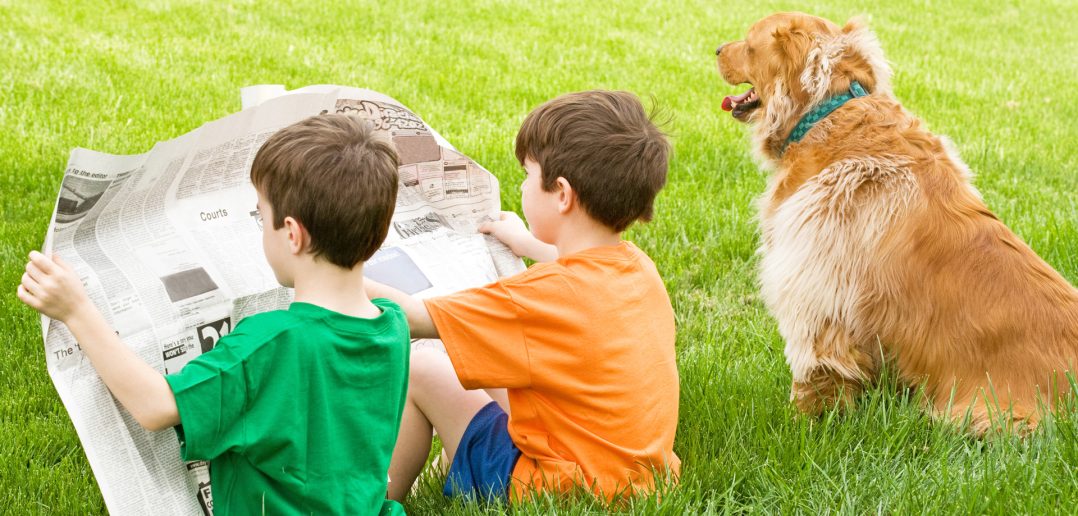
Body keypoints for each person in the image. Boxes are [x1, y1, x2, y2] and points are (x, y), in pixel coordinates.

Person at [18, 114, 410, 514]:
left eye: (261, 216)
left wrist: (76, 310)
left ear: (292, 234)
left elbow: (155, 406)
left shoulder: (271, 343)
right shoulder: (392, 325)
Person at [369, 90, 680, 503]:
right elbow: (570, 261)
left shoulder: (540, 297)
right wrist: (526, 242)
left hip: (552, 488)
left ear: (563, 194)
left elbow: (410, 315)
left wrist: (329, 268)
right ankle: (453, 460)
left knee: (424, 366)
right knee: (492, 364)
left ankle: (374, 503)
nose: (522, 184)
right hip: (637, 478)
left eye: (527, 175)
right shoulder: (638, 268)